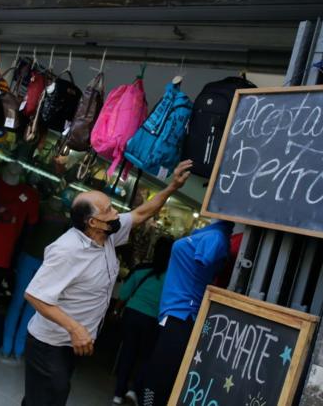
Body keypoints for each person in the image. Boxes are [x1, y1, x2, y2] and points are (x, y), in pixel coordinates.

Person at [21, 160, 193, 406]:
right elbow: (35, 295)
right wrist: (76, 328)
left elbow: (142, 213)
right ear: (92, 222)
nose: (116, 213)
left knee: (43, 398)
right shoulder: (67, 250)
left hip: (71, 343)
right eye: (110, 210)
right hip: (50, 343)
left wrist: (172, 187)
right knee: (50, 398)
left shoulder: (107, 234)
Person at [140, 219, 234, 406]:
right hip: (173, 313)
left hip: (183, 315)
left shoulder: (216, 237)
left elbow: (205, 264)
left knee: (159, 378)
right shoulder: (209, 234)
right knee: (153, 374)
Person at [111, 236, 174, 405]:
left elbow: (124, 294)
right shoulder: (172, 278)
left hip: (132, 314)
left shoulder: (141, 269)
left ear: (154, 250)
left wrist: (116, 311)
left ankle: (118, 394)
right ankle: (134, 390)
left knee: (127, 353)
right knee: (147, 357)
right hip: (153, 320)